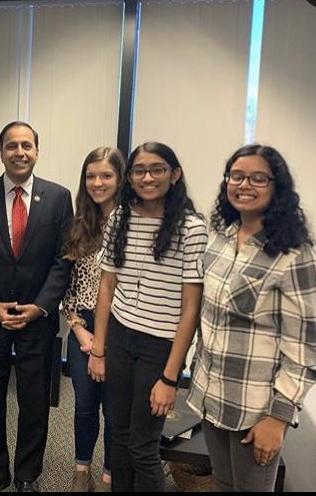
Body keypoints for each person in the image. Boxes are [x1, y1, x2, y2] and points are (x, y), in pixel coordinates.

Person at [186, 144, 316, 492]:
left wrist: (278, 418)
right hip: (212, 396)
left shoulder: (294, 256)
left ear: (278, 187)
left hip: (255, 410)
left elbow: (304, 354)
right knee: (222, 484)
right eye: (237, 176)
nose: (245, 184)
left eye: (258, 178)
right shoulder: (221, 239)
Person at [0, 121, 74, 493]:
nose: (19, 152)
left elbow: (63, 261)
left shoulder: (59, 197)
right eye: (11, 145)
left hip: (38, 320)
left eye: (26, 145)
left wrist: (40, 307)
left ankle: (27, 474)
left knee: (34, 402)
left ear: (37, 151)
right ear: (1, 152)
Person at [88, 142, 207, 492]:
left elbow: (191, 309)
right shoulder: (120, 218)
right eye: (139, 170)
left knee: (143, 446)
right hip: (119, 337)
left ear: (175, 174)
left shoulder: (191, 228)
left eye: (157, 169)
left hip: (159, 346)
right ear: (130, 177)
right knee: (119, 437)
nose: (148, 177)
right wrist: (98, 349)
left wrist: (170, 377)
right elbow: (107, 286)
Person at [60, 147, 125, 492]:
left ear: (120, 179)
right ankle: (81, 472)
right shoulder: (79, 226)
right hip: (81, 326)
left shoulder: (133, 227)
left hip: (121, 330)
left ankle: (111, 475)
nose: (97, 183)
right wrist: (77, 327)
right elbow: (67, 286)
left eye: (106, 175)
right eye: (91, 176)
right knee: (84, 406)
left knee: (114, 411)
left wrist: (103, 340)